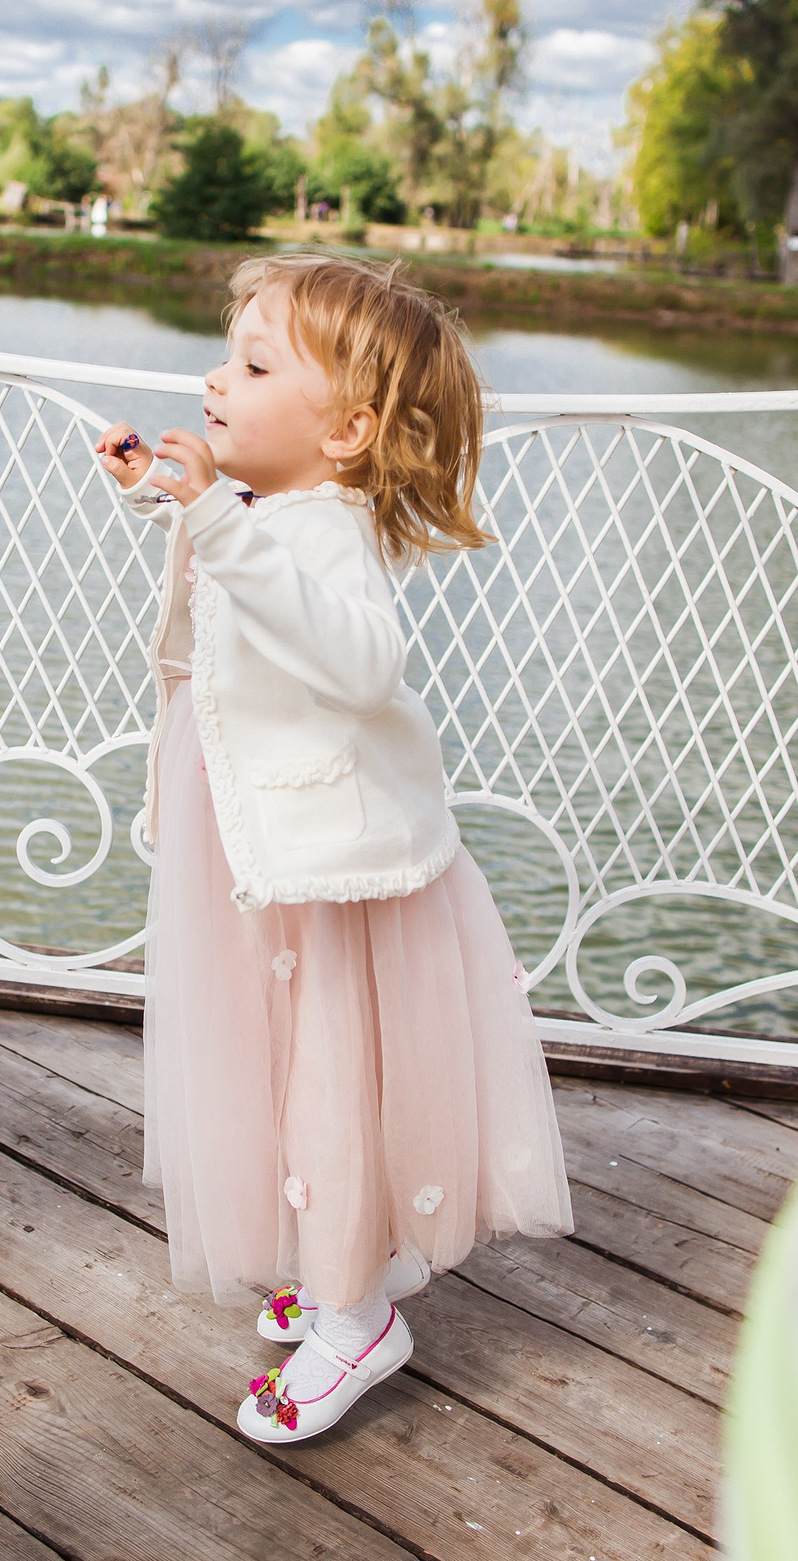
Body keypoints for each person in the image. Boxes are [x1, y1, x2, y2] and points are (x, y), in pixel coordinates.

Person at [93, 254, 574, 1444]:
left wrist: (205, 509)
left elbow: (356, 660)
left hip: (322, 860)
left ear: (348, 432)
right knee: (271, 1057)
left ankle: (359, 1319)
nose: (217, 376)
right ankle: (349, 1251)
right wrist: (166, 487)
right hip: (257, 843)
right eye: (228, 351)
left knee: (326, 1070)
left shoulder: (330, 532)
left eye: (255, 365)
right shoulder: (267, 506)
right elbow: (226, 563)